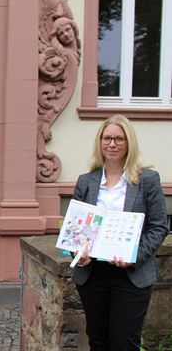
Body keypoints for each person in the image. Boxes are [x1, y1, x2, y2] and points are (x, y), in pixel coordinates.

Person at [72, 114, 168, 350]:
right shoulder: (86, 181)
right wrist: (78, 252)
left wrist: (132, 256)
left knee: (125, 343)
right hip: (93, 273)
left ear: (129, 143)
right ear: (100, 142)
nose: (112, 144)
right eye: (106, 138)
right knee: (98, 341)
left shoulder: (147, 180)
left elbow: (159, 227)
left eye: (118, 139)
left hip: (131, 275)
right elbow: (75, 228)